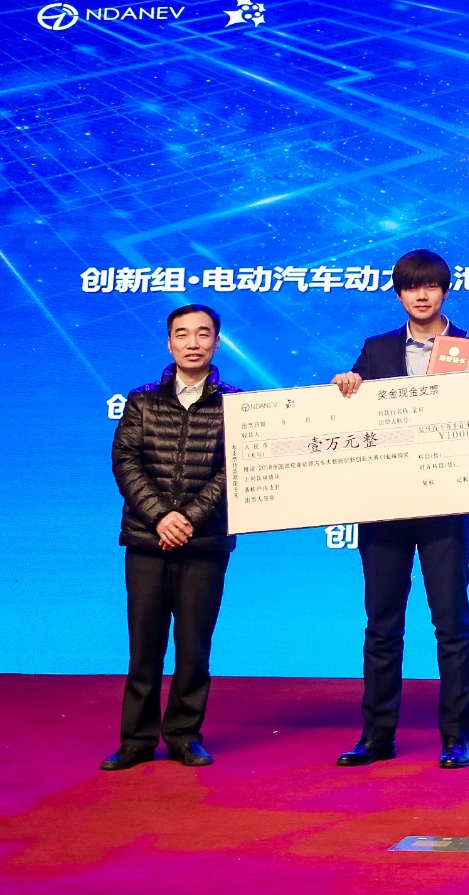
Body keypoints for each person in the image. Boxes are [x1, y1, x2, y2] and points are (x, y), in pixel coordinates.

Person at [329, 249, 469, 770]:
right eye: (411, 287)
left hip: (445, 504)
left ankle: (456, 738)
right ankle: (376, 736)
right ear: (399, 294)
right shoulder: (375, 349)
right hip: (385, 507)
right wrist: (347, 387)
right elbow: (352, 416)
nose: (422, 295)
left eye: (431, 286)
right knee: (382, 625)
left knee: (451, 625)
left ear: (445, 290)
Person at [104, 304, 239, 771]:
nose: (193, 343)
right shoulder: (142, 401)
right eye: (182, 334)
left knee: (194, 646)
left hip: (205, 544)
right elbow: (126, 461)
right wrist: (162, 517)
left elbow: (235, 468)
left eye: (203, 334)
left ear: (217, 342)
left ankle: (184, 735)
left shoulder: (235, 404)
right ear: (169, 343)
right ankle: (136, 740)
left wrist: (189, 519)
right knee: (144, 646)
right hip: (147, 540)